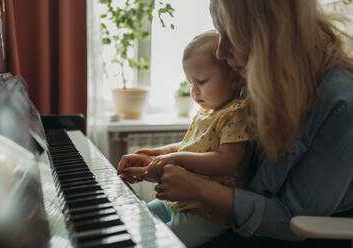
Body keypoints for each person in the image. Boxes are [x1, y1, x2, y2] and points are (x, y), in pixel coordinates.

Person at [118, 0, 353, 247]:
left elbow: (295, 221)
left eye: (233, 34)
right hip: (239, 220)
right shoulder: (259, 78)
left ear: (270, 35)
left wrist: (200, 188)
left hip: (292, 237)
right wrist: (161, 158)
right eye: (221, 33)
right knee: (135, 227)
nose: (221, 52)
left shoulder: (341, 104)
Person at [118, 30, 254, 247]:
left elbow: (227, 160)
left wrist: (176, 159)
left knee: (160, 243)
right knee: (136, 219)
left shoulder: (236, 113)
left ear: (234, 78)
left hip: (209, 214)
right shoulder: (207, 112)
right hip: (183, 202)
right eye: (190, 82)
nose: (194, 90)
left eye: (201, 81)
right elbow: (192, 146)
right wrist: (161, 153)